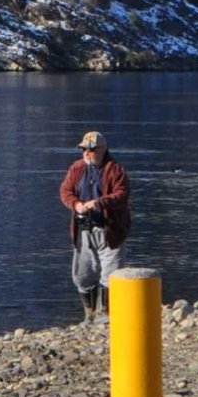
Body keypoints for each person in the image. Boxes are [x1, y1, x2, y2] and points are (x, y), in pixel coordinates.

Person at [60, 130, 130, 322]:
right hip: (84, 230)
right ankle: (89, 315)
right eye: (84, 149)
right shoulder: (76, 168)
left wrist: (100, 203)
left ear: (103, 149)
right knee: (83, 276)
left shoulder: (116, 170)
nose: (87, 153)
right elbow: (65, 191)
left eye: (91, 149)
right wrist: (76, 204)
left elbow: (122, 194)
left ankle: (107, 316)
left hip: (110, 230)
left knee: (111, 275)